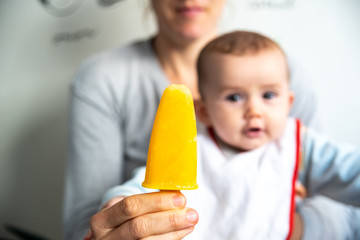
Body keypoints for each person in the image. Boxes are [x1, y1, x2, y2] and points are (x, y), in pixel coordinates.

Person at [63, 1, 355, 239]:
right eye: (234, 98)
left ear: (288, 102)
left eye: (268, 96)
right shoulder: (198, 152)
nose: (255, 110)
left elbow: (348, 173)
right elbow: (137, 188)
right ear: (201, 112)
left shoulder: (301, 142)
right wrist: (118, 208)